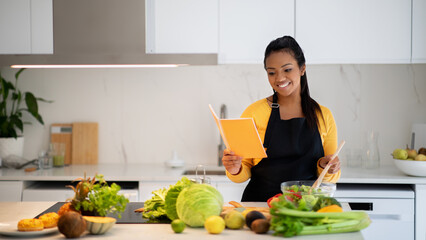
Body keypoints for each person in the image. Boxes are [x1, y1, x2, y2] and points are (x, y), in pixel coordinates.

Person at [222, 36, 341, 202]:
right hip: (260, 205)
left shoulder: (323, 115)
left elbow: (330, 177)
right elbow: (243, 172)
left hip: (304, 207)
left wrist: (326, 166)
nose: (279, 78)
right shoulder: (254, 112)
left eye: (287, 69)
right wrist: (235, 169)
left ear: (302, 68)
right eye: (272, 72)